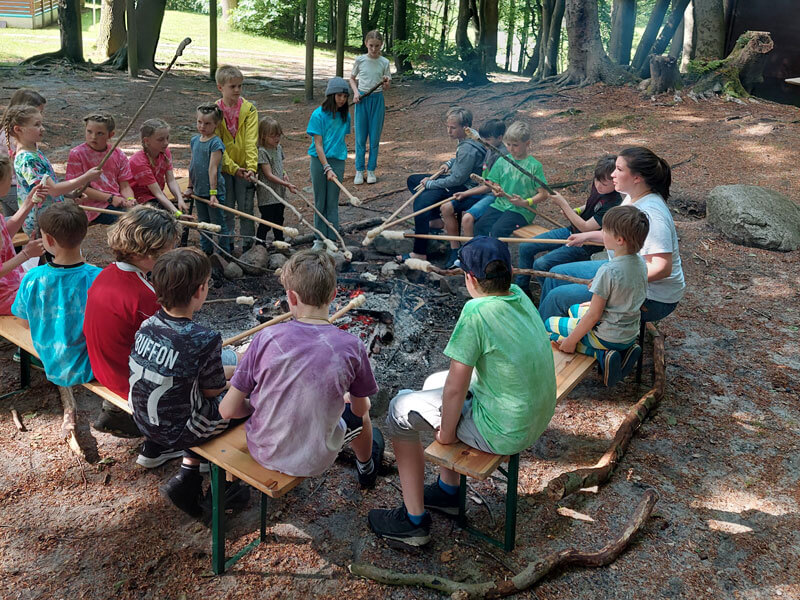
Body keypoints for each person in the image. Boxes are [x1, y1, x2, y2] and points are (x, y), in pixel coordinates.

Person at [368, 237, 557, 547]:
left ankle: (413, 523)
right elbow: (452, 383)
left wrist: (446, 434)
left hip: (505, 430)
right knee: (432, 382)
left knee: (398, 409)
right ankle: (448, 490)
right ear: (508, 272)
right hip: (534, 413)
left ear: (470, 278)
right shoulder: (518, 295)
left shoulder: (476, 312)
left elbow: (456, 390)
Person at [219, 250, 385, 487]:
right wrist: (348, 398)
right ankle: (366, 468)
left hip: (263, 450)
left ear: (292, 298)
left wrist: (258, 405)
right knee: (364, 416)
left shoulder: (266, 337)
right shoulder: (352, 346)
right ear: (334, 296)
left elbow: (227, 410)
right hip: (314, 460)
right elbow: (359, 410)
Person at [130, 247, 245, 517]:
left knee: (202, 399)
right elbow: (214, 390)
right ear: (199, 291)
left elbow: (194, 379)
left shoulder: (147, 325)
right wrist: (245, 382)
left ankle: (188, 477)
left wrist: (236, 370)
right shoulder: (203, 338)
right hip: (178, 430)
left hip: (145, 420)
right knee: (248, 403)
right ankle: (232, 487)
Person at [538, 147, 685, 329]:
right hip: (621, 270)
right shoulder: (633, 197)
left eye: (619, 170)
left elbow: (662, 268)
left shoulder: (652, 214)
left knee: (557, 297)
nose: (613, 174)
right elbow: (620, 235)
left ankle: (548, 343)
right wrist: (586, 235)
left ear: (637, 177)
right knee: (555, 275)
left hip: (653, 297)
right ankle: (555, 331)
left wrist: (612, 283)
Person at [84, 207, 178, 447]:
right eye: (168, 248)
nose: (172, 252)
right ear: (147, 252)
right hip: (125, 381)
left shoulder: (106, 273)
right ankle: (163, 442)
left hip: (103, 367)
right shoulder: (144, 297)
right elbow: (170, 352)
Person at [11, 203, 102, 428]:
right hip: (87, 366)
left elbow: (24, 323)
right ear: (84, 232)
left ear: (48, 241)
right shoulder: (98, 278)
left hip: (50, 358)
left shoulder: (32, 278)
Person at [544, 205, 649, 387]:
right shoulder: (640, 263)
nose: (602, 234)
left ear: (619, 240)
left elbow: (594, 315)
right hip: (629, 332)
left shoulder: (608, 270)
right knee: (574, 309)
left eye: (605, 231)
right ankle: (624, 351)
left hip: (606, 335)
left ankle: (600, 354)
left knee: (549, 325)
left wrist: (570, 342)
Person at [515, 155, 622, 292]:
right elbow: (591, 205)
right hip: (571, 231)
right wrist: (576, 210)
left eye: (604, 184)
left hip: (585, 244)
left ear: (615, 181)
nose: (598, 186)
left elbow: (586, 227)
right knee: (526, 247)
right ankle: (522, 288)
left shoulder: (614, 203)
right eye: (597, 180)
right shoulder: (599, 183)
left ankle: (548, 295)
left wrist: (564, 204)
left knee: (541, 264)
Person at [401, 107, 486, 261]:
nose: (449, 131)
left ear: (464, 127)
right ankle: (435, 221)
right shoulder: (470, 136)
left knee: (422, 201)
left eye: (453, 128)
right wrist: (449, 163)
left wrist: (430, 184)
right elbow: (460, 160)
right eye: (448, 127)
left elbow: (456, 180)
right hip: (458, 180)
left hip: (464, 188)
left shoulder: (468, 148)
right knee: (413, 180)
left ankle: (419, 252)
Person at [2, 105, 100, 235]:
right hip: (41, 224)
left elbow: (48, 184)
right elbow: (53, 190)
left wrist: (71, 193)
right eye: (37, 125)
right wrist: (86, 177)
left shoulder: (34, 152)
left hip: (49, 217)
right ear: (18, 129)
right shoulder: (27, 159)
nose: (42, 128)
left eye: (41, 124)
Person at [440, 119, 508, 266]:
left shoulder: (501, 155)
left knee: (468, 219)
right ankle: (455, 252)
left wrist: (466, 194)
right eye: (483, 139)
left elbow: (490, 186)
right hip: (481, 190)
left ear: (500, 138)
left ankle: (470, 257)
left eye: (487, 139)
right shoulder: (490, 147)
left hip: (492, 195)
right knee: (446, 208)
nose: (484, 142)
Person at [473, 120, 549, 239]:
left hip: (522, 211)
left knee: (497, 231)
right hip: (500, 205)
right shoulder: (502, 160)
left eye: (515, 145)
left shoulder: (534, 166)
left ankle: (500, 257)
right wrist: (496, 190)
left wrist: (525, 202)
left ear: (527, 143)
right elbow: (494, 183)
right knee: (480, 226)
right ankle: (483, 255)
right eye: (508, 144)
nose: (511, 149)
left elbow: (543, 194)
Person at [214, 65, 258, 254]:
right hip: (224, 169)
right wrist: (231, 167)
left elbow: (251, 140)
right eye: (233, 86)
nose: (238, 90)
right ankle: (227, 245)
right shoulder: (213, 112)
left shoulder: (249, 110)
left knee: (246, 208)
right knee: (227, 209)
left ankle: (249, 245)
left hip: (244, 170)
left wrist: (251, 167)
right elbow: (216, 146)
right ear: (220, 87)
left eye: (240, 86)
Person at [66, 113, 138, 225]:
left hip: (115, 202)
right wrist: (110, 198)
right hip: (92, 207)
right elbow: (79, 187)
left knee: (143, 217)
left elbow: (125, 186)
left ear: (110, 134)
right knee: (130, 222)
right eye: (89, 131)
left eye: (100, 133)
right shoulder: (77, 154)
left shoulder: (118, 154)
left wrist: (129, 200)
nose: (93, 137)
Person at [307, 78, 351, 251]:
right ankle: (319, 238)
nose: (342, 99)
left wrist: (333, 166)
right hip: (319, 161)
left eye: (345, 96)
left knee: (332, 201)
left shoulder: (345, 116)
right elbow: (318, 144)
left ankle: (332, 239)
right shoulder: (317, 115)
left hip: (338, 160)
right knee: (320, 201)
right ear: (331, 95)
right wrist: (326, 167)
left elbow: (341, 138)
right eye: (339, 95)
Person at [0, 156, 45, 314]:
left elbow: (4, 234)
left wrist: (29, 202)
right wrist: (26, 254)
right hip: (3, 295)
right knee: (49, 299)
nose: (13, 180)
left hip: (11, 280)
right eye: (10, 176)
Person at [185, 103, 230, 255]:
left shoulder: (216, 143)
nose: (202, 126)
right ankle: (207, 251)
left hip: (213, 192)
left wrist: (213, 193)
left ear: (216, 124)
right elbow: (192, 165)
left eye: (207, 123)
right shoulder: (194, 140)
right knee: (203, 223)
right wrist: (190, 186)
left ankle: (224, 253)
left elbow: (213, 169)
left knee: (218, 223)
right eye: (199, 122)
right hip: (198, 190)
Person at [349, 29, 391, 185]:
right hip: (362, 100)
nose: (374, 49)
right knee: (360, 137)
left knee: (374, 138)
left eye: (377, 46)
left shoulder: (384, 62)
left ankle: (371, 170)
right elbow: (352, 79)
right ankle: (359, 171)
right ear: (366, 43)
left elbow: (387, 85)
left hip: (377, 100)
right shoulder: (360, 60)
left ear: (381, 45)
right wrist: (355, 93)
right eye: (371, 45)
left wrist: (386, 83)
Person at [128, 118, 189, 217]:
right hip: (140, 198)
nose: (166, 143)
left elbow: (171, 180)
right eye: (160, 139)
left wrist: (180, 199)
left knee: (180, 221)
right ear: (147, 141)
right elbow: (158, 193)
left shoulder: (165, 152)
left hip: (155, 196)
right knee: (166, 221)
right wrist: (176, 213)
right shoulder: (139, 162)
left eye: (167, 138)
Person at [0, 88, 46, 218]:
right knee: (38, 216)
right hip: (13, 186)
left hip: (14, 184)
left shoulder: (18, 135)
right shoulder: (15, 139)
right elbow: (29, 171)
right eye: (37, 112)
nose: (40, 116)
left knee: (17, 224)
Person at [255, 116, 298, 243]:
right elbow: (268, 175)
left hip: (279, 192)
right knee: (267, 220)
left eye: (278, 135)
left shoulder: (278, 148)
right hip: (268, 194)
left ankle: (280, 241)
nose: (277, 138)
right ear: (263, 136)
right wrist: (287, 184)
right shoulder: (262, 151)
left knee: (279, 218)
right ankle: (259, 243)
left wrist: (284, 174)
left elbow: (279, 166)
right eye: (273, 136)